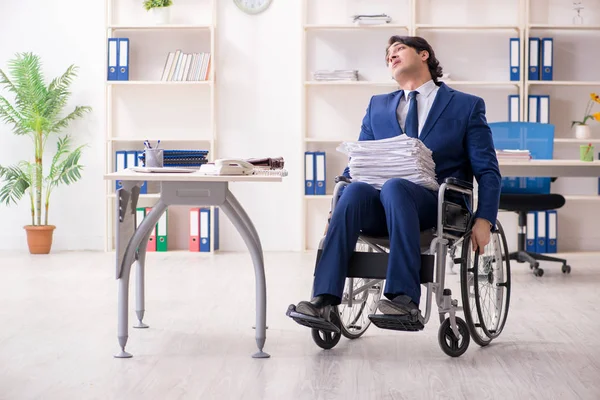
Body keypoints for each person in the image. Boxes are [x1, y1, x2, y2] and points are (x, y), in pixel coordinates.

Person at [292, 35, 502, 319]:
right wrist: (336, 208)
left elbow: (487, 169)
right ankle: (324, 300)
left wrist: (485, 218)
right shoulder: (378, 106)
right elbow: (359, 160)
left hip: (438, 207)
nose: (391, 55)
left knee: (395, 187)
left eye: (399, 49)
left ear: (424, 54)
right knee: (354, 192)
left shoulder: (465, 105)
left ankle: (402, 298)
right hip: (382, 206)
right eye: (388, 54)